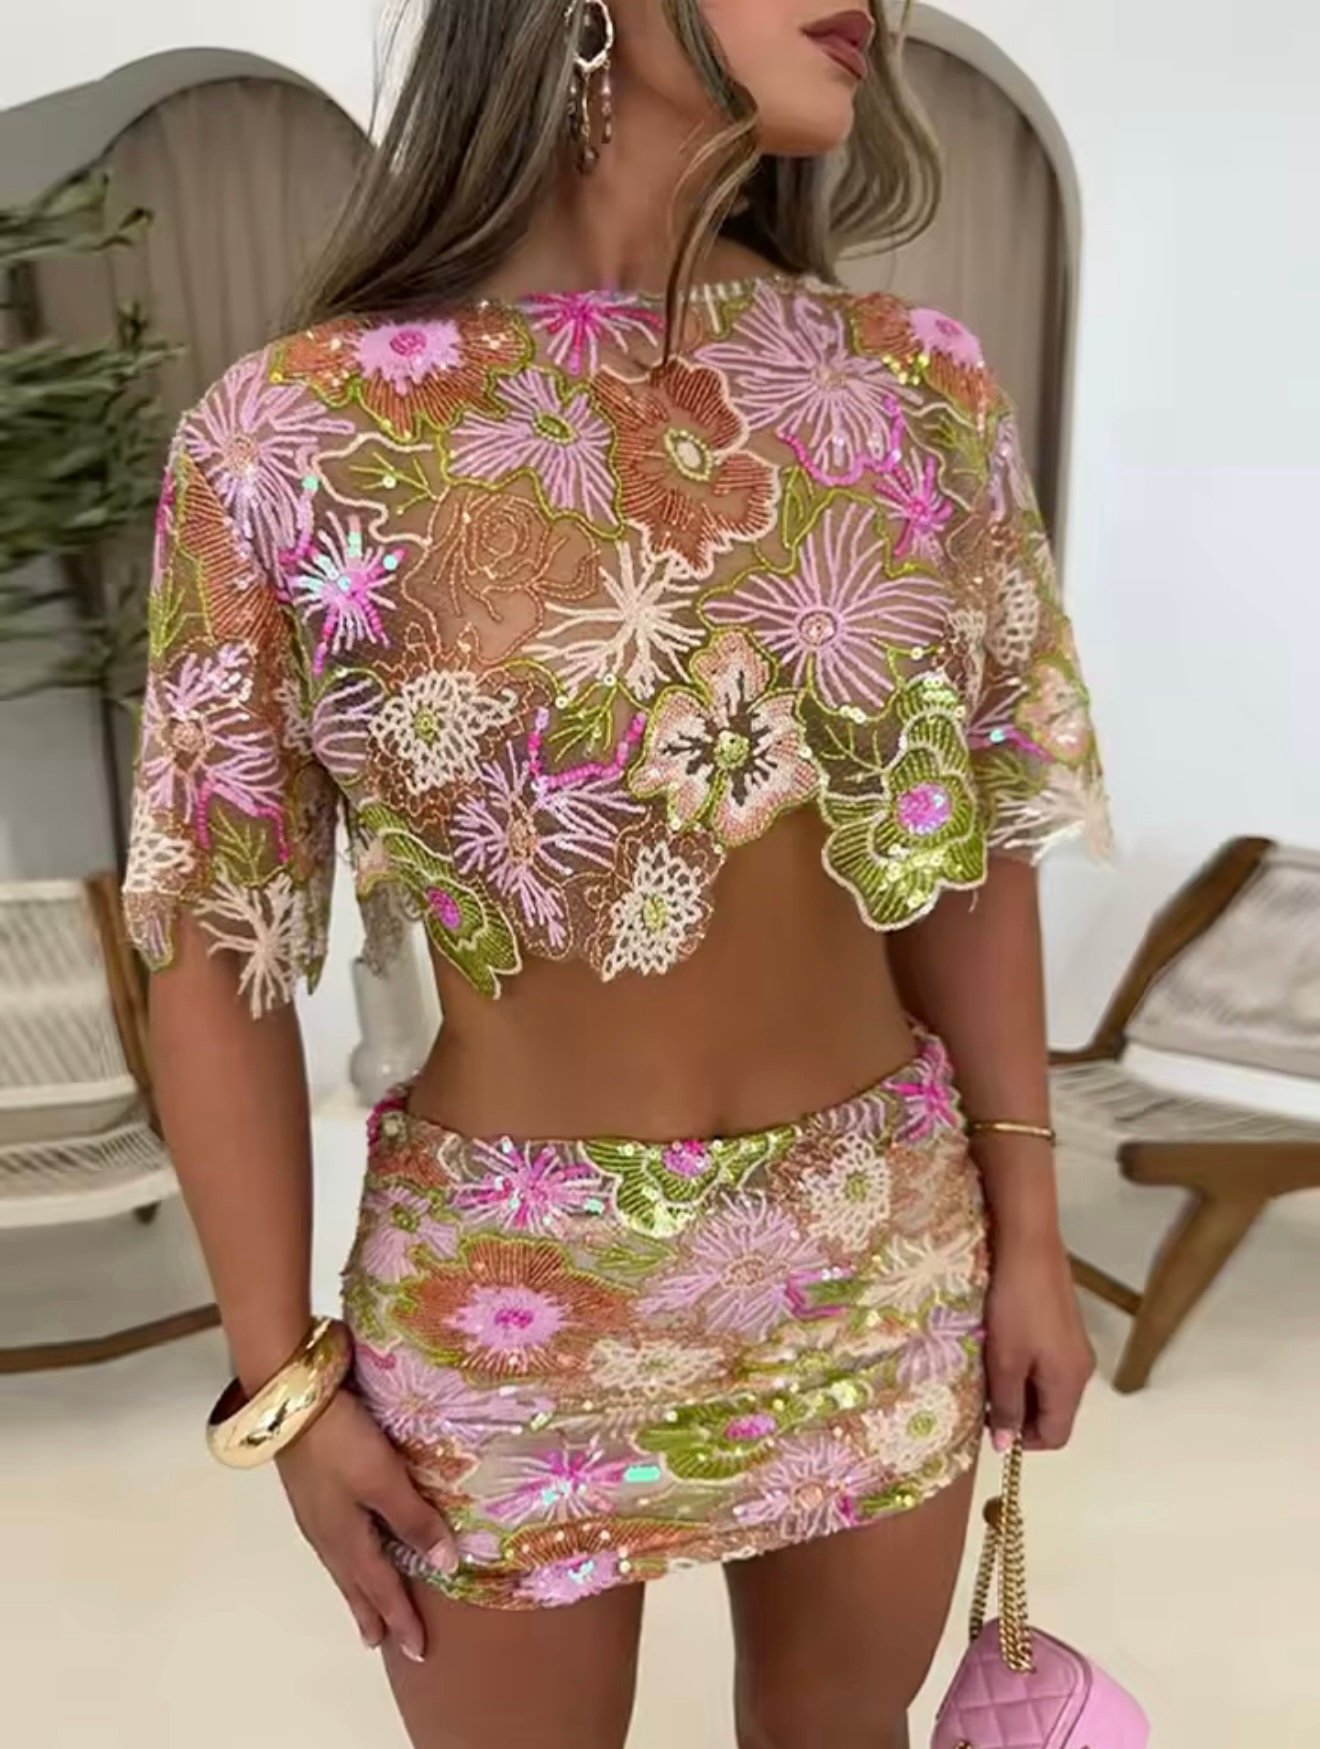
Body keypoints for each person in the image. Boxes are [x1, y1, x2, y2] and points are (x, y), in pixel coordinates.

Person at [124, 3, 1109, 1745]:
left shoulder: (915, 391)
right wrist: (279, 1380)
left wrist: (1030, 1231)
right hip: (511, 1289)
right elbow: (214, 933)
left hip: (876, 1243)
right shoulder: (294, 435)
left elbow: (962, 854)